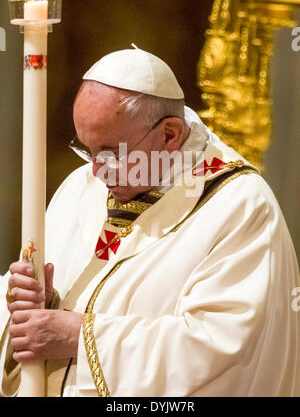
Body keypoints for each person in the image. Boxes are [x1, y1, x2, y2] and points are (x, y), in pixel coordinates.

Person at [0, 45, 299, 397]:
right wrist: (37, 303)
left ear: (170, 135)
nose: (96, 171)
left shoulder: (240, 207)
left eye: (110, 152)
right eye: (87, 150)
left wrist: (76, 337)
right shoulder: (81, 188)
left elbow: (216, 346)